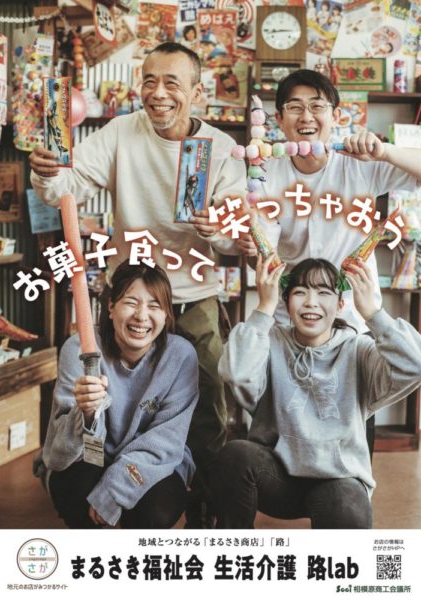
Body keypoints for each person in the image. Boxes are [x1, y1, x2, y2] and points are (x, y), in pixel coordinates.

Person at [30, 42, 246, 527]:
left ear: (197, 92)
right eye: (150, 81)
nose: (158, 93)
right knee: (109, 395)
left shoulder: (220, 148)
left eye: (172, 83)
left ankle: (203, 500)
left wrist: (219, 229)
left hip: (192, 294)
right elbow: (67, 187)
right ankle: (109, 477)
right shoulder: (121, 132)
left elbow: (237, 239)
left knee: (209, 401)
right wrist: (47, 174)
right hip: (131, 295)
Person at [211, 255, 421, 529]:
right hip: (276, 477)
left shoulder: (358, 349)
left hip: (338, 480)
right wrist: (264, 308)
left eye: (323, 293)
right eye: (300, 292)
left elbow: (415, 364)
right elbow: (235, 373)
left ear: (341, 304)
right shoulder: (270, 341)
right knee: (235, 455)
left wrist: (373, 313)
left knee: (347, 504)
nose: (311, 302)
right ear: (286, 302)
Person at [239, 69, 420, 334]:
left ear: (335, 116)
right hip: (292, 318)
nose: (306, 116)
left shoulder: (360, 163)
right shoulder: (265, 174)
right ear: (279, 119)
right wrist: (252, 250)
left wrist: (385, 152)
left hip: (354, 316)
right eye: (295, 107)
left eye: (317, 106)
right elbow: (263, 256)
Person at [34, 261, 199, 529]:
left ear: (167, 314)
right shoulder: (79, 348)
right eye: (131, 302)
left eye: (154, 306)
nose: (141, 316)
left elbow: (166, 441)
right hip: (91, 454)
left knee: (155, 511)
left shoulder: (180, 355)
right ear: (110, 307)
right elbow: (60, 452)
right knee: (75, 492)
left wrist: (115, 489)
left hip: (152, 460)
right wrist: (87, 414)